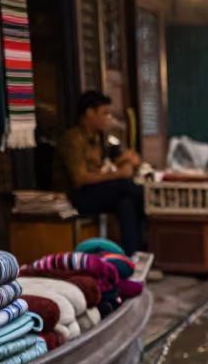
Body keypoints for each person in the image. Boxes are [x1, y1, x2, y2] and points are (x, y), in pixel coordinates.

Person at [54, 91, 145, 254]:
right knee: (125, 187)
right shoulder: (73, 139)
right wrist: (118, 174)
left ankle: (133, 258)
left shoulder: (100, 137)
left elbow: (117, 159)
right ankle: (149, 199)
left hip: (97, 192)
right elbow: (79, 178)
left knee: (126, 203)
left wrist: (130, 159)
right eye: (105, 113)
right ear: (89, 113)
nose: (108, 118)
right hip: (75, 198)